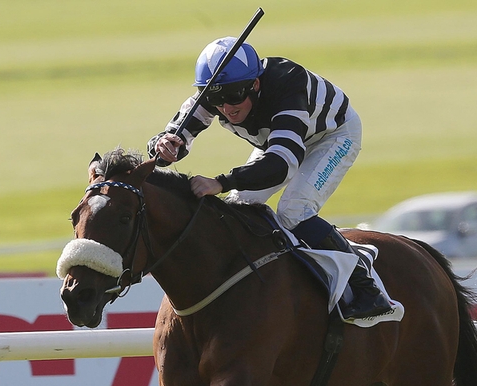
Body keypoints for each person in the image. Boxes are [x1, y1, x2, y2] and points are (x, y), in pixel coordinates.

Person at [147, 37, 391, 320]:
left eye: (234, 96)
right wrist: (164, 147)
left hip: (332, 135)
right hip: (279, 141)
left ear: (255, 84)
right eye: (215, 100)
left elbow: (282, 164)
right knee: (238, 205)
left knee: (294, 210)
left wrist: (222, 181)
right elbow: (171, 141)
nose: (226, 108)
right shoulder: (216, 94)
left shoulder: (288, 83)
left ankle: (366, 285)